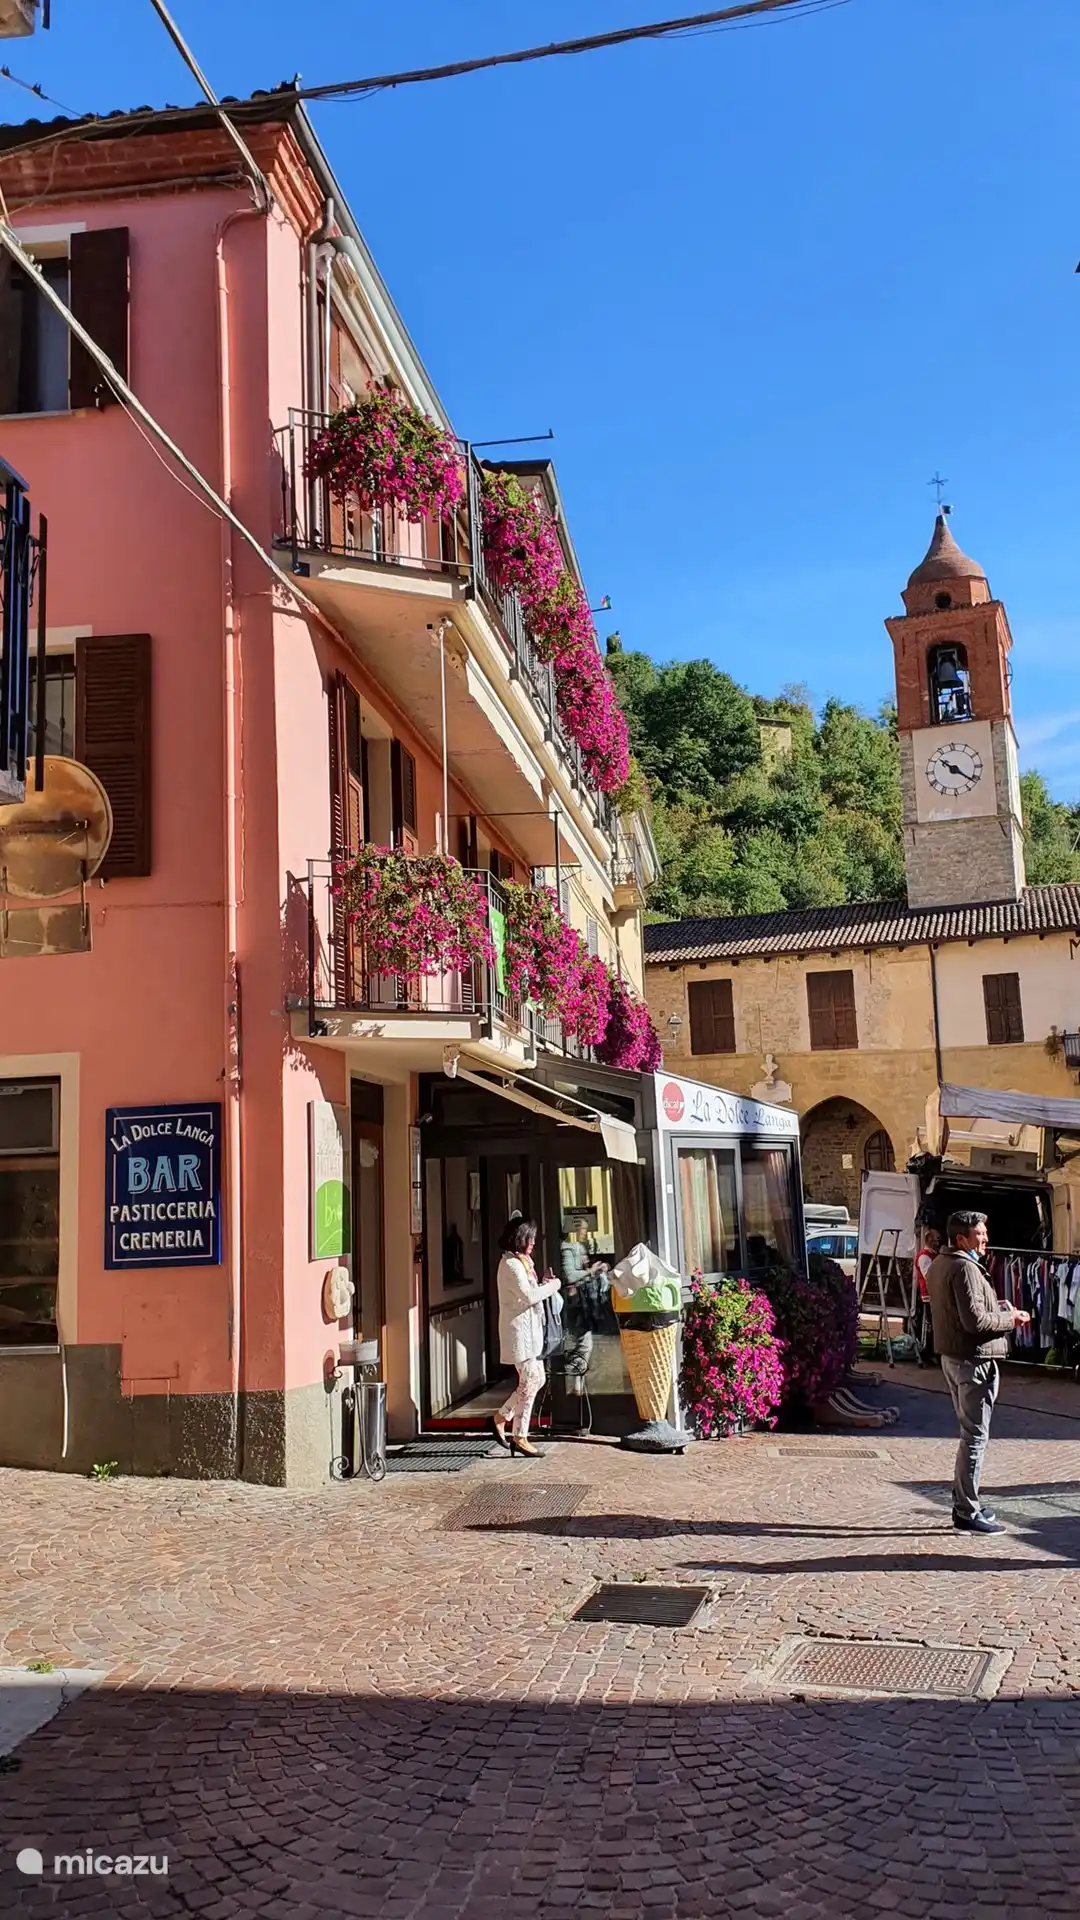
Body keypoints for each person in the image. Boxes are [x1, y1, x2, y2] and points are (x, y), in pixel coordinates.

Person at [926, 1209, 1029, 1534]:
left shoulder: (941, 1263)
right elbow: (975, 1322)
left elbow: (964, 1313)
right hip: (973, 1361)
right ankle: (966, 1510)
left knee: (969, 1434)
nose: (985, 1239)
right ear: (961, 1238)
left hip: (955, 1357)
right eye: (979, 1234)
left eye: (985, 1233)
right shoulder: (963, 1268)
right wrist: (1010, 1320)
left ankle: (965, 1501)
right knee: (974, 1438)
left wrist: (999, 1308)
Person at [492, 1218, 560, 1459]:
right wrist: (553, 1286)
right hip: (519, 1334)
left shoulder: (523, 1262)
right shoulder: (510, 1265)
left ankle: (502, 1417)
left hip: (531, 1333)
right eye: (529, 1238)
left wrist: (544, 1284)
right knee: (531, 1380)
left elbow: (530, 1292)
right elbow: (529, 1295)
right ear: (519, 1239)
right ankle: (520, 1436)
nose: (533, 1243)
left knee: (536, 1379)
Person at [914, 1225, 941, 1365]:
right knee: (932, 1325)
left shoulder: (932, 1255)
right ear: (929, 1240)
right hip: (929, 1295)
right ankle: (929, 1353)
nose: (938, 1242)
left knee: (934, 1325)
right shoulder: (925, 1256)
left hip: (933, 1295)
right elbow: (929, 1276)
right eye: (936, 1239)